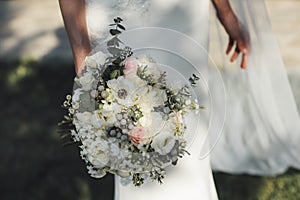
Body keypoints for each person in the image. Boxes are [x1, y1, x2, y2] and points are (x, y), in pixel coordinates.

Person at [59, 0, 300, 199]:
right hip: (117, 12)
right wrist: (83, 57)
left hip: (182, 16)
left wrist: (225, 12)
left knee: (189, 138)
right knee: (131, 132)